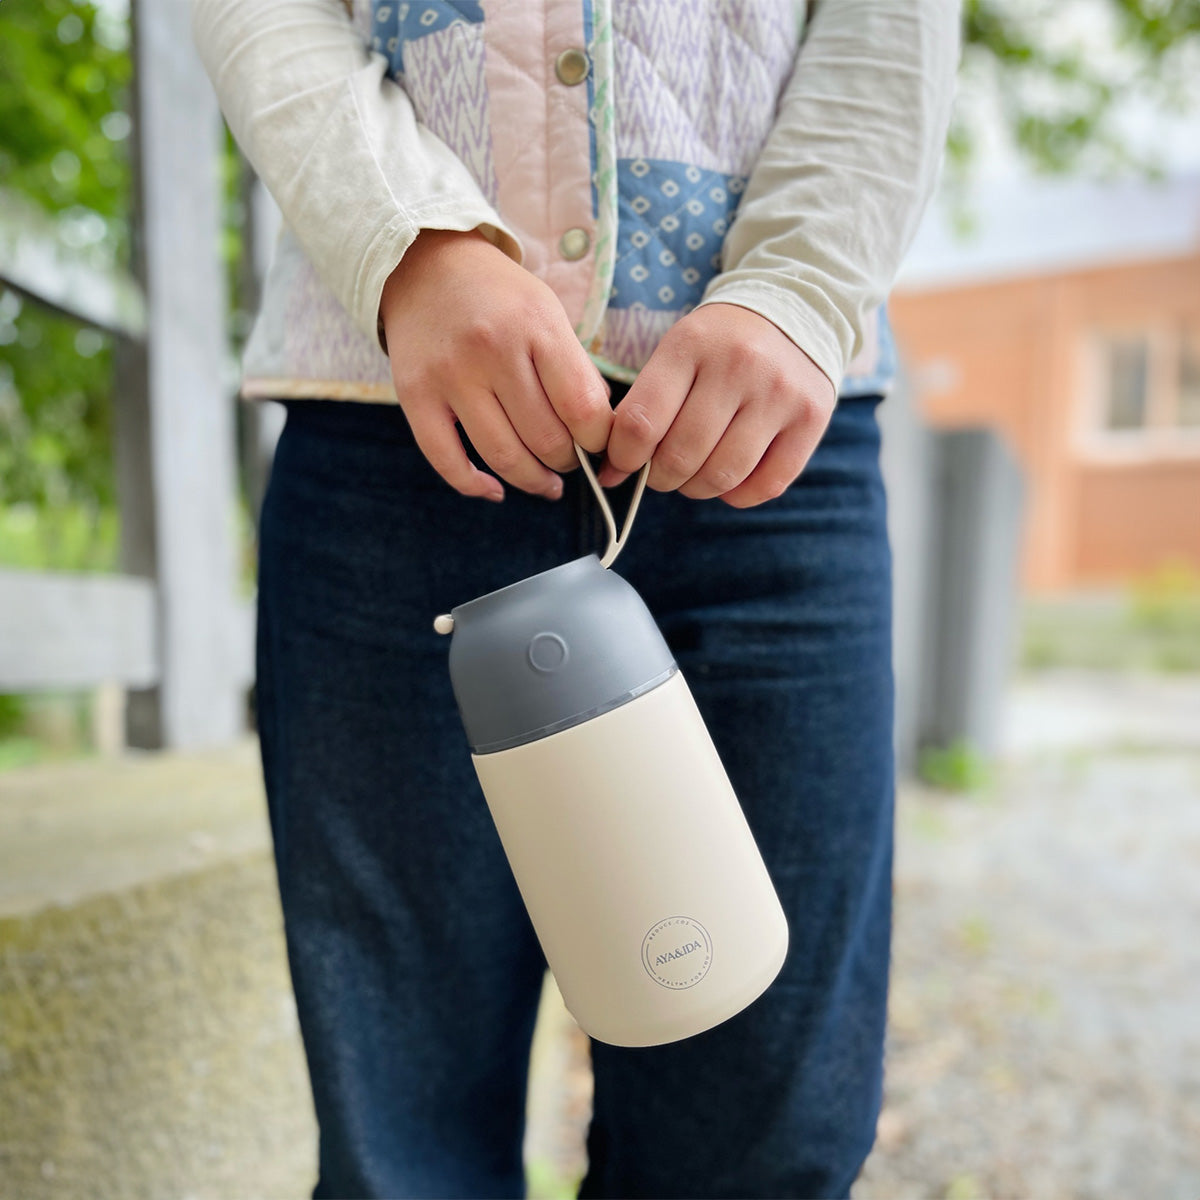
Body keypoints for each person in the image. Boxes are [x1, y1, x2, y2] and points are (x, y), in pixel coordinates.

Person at [194, 2, 959, 1196]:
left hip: (765, 436)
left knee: (764, 1144)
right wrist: (411, 242)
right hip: (393, 415)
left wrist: (804, 286)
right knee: (404, 1146)